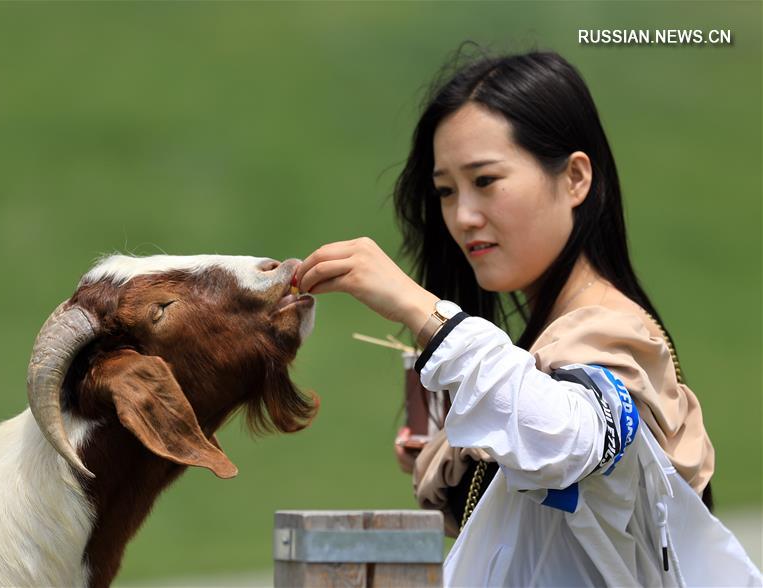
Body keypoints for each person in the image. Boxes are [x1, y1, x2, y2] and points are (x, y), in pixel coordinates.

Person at [293, 47, 761, 587]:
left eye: (486, 180)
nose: (463, 216)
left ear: (575, 179)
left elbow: (563, 439)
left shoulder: (610, 331)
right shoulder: (555, 339)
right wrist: (460, 462)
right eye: (446, 191)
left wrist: (421, 309)